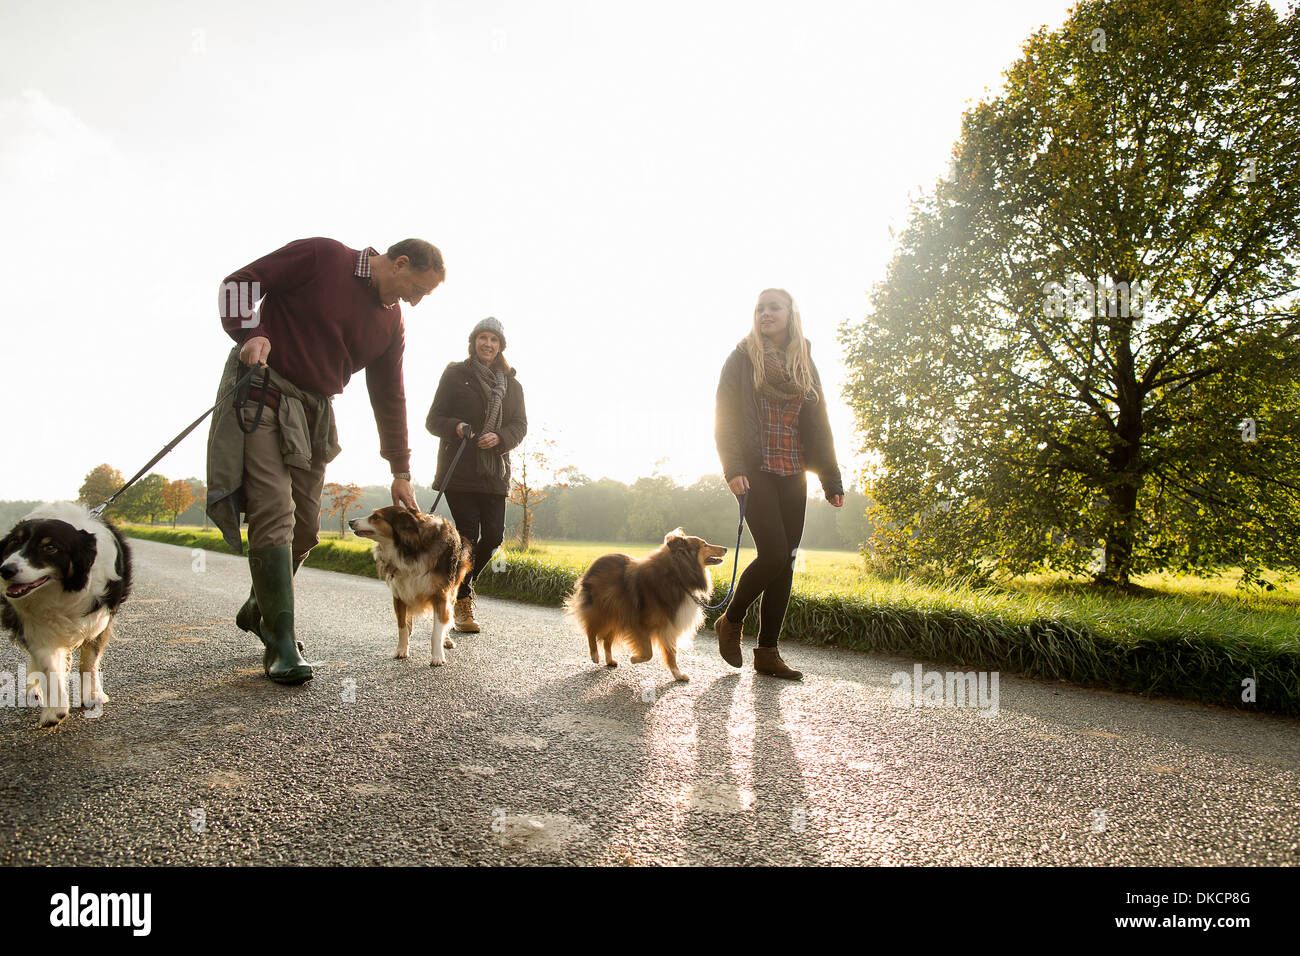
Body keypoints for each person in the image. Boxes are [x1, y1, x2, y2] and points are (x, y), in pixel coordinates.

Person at [207, 236, 445, 684]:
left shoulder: (391, 323)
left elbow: (389, 396)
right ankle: (280, 642)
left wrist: (400, 469)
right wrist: (251, 333)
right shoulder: (323, 256)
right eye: (417, 289)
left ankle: (260, 610)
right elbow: (239, 283)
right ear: (399, 263)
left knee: (305, 529)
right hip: (264, 393)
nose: (414, 301)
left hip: (314, 414)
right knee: (273, 512)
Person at [713, 288, 844, 680]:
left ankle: (767, 653)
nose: (765, 314)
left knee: (785, 562)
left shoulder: (803, 361)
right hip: (754, 471)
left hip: (793, 471)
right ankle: (730, 620)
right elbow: (725, 416)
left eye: (774, 308)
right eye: (759, 309)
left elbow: (819, 424)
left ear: (791, 313)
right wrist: (732, 466)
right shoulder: (741, 359)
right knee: (772, 553)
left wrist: (830, 477)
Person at [426, 317, 527, 632]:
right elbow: (433, 419)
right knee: (468, 533)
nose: (488, 344)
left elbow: (520, 425)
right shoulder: (456, 375)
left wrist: (500, 438)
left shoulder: (512, 385)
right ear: (474, 342)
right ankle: (464, 601)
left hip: (494, 472)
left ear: (500, 346)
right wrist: (456, 427)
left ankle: (457, 582)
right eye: (483, 338)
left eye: (494, 340)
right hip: (460, 469)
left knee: (494, 536)